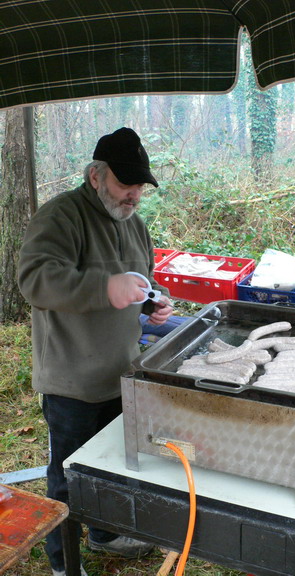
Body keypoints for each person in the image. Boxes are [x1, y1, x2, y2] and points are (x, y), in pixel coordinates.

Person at [18, 127, 173, 576]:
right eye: (126, 185)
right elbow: (36, 280)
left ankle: (104, 533)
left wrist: (152, 301)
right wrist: (105, 287)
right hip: (72, 379)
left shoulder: (134, 224)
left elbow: (140, 281)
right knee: (67, 478)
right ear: (95, 177)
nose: (134, 195)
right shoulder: (61, 217)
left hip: (120, 371)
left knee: (109, 470)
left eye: (139, 186)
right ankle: (63, 563)